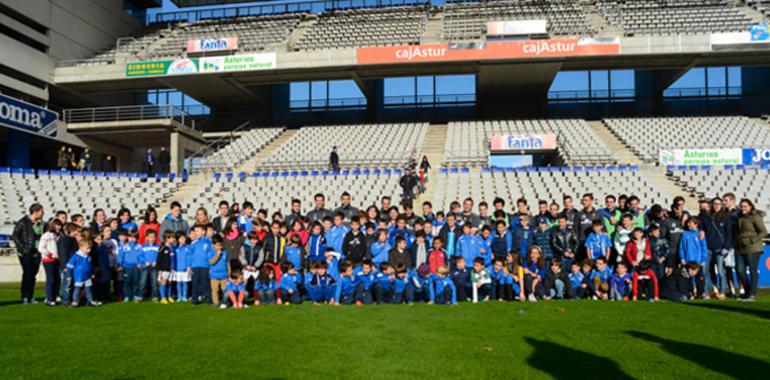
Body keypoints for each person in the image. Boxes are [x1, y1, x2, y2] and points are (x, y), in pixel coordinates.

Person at [734, 198, 767, 302]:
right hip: (740, 246)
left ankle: (752, 294)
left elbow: (763, 231)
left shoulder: (755, 217)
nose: (743, 208)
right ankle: (747, 291)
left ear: (750, 206)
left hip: (753, 247)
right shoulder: (739, 217)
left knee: (753, 270)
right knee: (739, 270)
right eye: (742, 206)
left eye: (745, 206)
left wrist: (753, 240)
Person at [12, 203, 45, 304]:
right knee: (28, 274)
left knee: (33, 275)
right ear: (35, 212)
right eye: (41, 211)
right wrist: (23, 249)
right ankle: (25, 296)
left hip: (37, 253)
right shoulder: (23, 222)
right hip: (26, 253)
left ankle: (31, 296)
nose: (43, 213)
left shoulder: (41, 224)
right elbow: (15, 236)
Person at [679, 217, 708, 299]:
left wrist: (703, 259)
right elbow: (681, 247)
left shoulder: (700, 233)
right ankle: (690, 293)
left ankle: (701, 293)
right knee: (688, 279)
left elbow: (703, 248)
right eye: (688, 222)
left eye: (690, 223)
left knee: (700, 278)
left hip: (698, 261)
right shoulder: (684, 234)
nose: (688, 224)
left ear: (696, 224)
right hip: (688, 261)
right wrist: (682, 258)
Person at [66, 239, 99, 307]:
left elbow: (90, 266)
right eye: (87, 248)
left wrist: (92, 273)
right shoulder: (76, 256)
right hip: (79, 276)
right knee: (77, 289)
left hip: (87, 276)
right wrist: (69, 275)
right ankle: (75, 301)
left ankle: (90, 301)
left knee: (88, 289)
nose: (89, 250)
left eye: (90, 248)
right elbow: (69, 266)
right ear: (81, 247)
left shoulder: (88, 257)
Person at [39, 219, 62, 306]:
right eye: (56, 225)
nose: (58, 227)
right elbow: (41, 248)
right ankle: (49, 298)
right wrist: (50, 255)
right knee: (51, 279)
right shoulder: (46, 235)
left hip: (55, 260)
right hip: (48, 260)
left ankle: (54, 296)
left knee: (57, 279)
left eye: (59, 225)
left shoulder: (57, 235)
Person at [209, 235, 230, 308]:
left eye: (221, 245)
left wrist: (229, 273)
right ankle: (216, 302)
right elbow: (211, 262)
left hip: (224, 274)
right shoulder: (211, 252)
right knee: (215, 290)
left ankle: (225, 301)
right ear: (213, 245)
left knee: (225, 289)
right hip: (214, 275)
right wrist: (217, 255)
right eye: (218, 245)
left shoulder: (225, 252)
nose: (220, 247)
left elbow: (228, 263)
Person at [157, 231, 175, 304]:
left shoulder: (172, 248)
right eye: (172, 238)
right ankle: (163, 298)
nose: (174, 239)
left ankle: (169, 296)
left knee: (169, 283)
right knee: (163, 282)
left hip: (171, 269)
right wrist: (159, 269)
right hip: (164, 269)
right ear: (167, 239)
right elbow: (159, 259)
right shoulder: (162, 248)